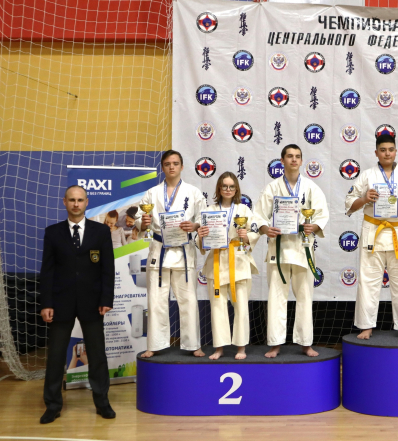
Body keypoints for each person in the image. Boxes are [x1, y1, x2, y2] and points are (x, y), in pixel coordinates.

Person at [39, 185, 115, 424]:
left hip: (93, 303)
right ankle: (52, 405)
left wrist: (106, 299)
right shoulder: (52, 232)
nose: (76, 204)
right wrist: (46, 303)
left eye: (80, 200)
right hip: (60, 302)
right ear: (64, 202)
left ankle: (102, 403)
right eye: (71, 200)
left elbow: (108, 268)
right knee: (56, 355)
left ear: (86, 202)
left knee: (97, 354)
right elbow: (47, 271)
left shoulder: (101, 232)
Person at [253, 144, 329, 358]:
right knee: (276, 296)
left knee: (305, 296)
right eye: (289, 156)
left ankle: (306, 343)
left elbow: (322, 214)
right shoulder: (272, 187)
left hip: (302, 248)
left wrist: (314, 226)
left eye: (297, 156)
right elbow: (258, 215)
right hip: (279, 248)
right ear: (282, 160)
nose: (294, 160)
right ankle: (275, 343)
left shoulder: (311, 187)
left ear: (301, 161)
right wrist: (265, 228)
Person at [345, 134, 398, 340]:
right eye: (383, 150)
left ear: (396, 152)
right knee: (368, 282)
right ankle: (366, 326)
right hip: (373, 233)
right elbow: (349, 204)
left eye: (391, 150)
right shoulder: (367, 176)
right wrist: (364, 199)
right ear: (376, 153)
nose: (387, 153)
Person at [136, 150, 207, 358]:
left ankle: (193, 344)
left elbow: (204, 218)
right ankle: (155, 344)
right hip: (159, 250)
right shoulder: (152, 193)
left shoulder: (193, 192)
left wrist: (195, 225)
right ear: (163, 167)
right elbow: (139, 219)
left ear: (182, 166)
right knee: (156, 300)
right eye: (167, 164)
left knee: (188, 300)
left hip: (184, 251)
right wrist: (143, 222)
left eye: (175, 163)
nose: (172, 167)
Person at [196, 172, 260, 360]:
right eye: (224, 186)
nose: (228, 189)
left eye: (231, 186)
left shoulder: (244, 210)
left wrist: (246, 237)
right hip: (216, 262)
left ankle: (241, 347)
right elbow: (201, 243)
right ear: (219, 188)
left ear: (236, 189)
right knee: (217, 307)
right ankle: (219, 348)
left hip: (239, 261)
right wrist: (201, 236)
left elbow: (254, 233)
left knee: (241, 307)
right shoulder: (209, 210)